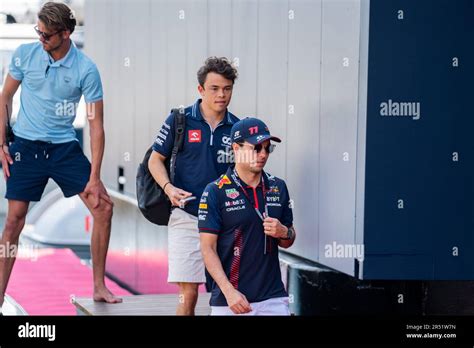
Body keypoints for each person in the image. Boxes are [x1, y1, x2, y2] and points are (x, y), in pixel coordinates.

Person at [0, 2, 122, 315]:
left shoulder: (86, 70)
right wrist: (2, 142)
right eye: (37, 31)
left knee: (103, 207)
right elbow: (5, 98)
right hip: (25, 147)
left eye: (46, 34)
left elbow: (95, 124)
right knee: (13, 221)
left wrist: (94, 177)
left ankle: (98, 286)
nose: (40, 38)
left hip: (64, 149)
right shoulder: (25, 55)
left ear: (65, 34)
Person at [148, 57, 239, 315]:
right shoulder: (180, 120)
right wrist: (168, 188)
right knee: (187, 294)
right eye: (214, 88)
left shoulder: (237, 127)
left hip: (225, 220)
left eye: (227, 88)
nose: (222, 94)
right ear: (200, 89)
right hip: (186, 215)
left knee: (227, 292)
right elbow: (156, 160)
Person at [198, 117, 296, 315]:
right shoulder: (215, 191)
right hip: (231, 300)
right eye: (256, 148)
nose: (263, 154)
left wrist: (284, 232)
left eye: (267, 148)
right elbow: (207, 249)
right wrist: (229, 291)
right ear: (236, 148)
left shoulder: (278, 186)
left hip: (273, 297)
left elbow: (288, 240)